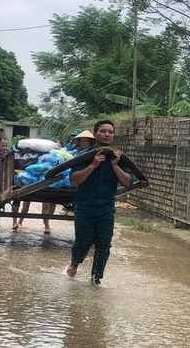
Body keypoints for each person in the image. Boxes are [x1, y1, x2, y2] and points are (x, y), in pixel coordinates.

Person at [65, 120, 134, 286]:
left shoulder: (119, 158)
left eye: (110, 131)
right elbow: (74, 180)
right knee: (83, 241)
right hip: (85, 207)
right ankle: (74, 263)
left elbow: (128, 183)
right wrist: (94, 165)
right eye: (103, 131)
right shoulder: (84, 156)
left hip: (106, 209)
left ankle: (96, 279)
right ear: (95, 134)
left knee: (104, 244)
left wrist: (115, 166)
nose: (107, 134)